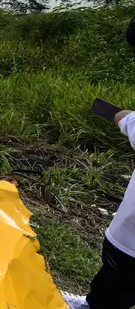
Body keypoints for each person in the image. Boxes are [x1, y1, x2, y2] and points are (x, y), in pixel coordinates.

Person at [63, 108, 135, 309]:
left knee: (110, 291)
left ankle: (92, 306)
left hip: (127, 245)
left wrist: (113, 112)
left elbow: (125, 117)